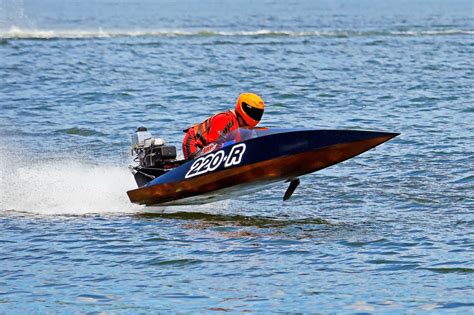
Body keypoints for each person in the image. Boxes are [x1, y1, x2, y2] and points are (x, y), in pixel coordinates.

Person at [182, 93, 265, 160]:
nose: (255, 115)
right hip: (195, 143)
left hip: (212, 148)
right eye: (254, 112)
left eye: (258, 113)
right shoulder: (224, 119)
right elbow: (212, 146)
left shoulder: (245, 128)